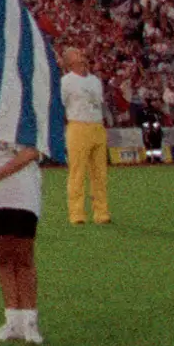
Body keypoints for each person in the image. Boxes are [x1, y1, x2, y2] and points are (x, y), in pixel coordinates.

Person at [0, 133, 45, 344]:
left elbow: (32, 151)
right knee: (3, 259)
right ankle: (12, 320)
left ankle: (30, 321)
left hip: (21, 191)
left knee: (23, 258)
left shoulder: (27, 112)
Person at [58, 47, 111, 226]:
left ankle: (101, 212)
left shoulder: (95, 80)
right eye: (76, 54)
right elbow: (60, 105)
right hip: (78, 126)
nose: (81, 56)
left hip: (97, 125)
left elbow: (99, 102)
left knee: (100, 173)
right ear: (69, 61)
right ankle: (77, 213)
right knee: (77, 172)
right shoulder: (66, 82)